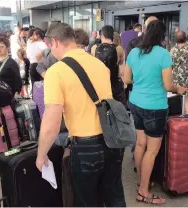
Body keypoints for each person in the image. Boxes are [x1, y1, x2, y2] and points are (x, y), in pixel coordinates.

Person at [36, 23, 126, 207]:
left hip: (85, 146)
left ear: (54, 42)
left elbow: (52, 121)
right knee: (114, 196)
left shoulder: (56, 72)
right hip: (112, 141)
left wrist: (41, 154)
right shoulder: (99, 65)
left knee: (86, 202)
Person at [124, 20, 186, 205]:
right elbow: (168, 85)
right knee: (151, 150)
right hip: (155, 107)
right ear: (162, 36)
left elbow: (127, 78)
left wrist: (143, 82)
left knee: (140, 144)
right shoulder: (164, 54)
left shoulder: (134, 52)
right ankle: (143, 192)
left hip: (135, 103)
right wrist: (179, 89)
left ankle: (141, 183)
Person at [171, 31, 188, 114]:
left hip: (175, 76)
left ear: (175, 39)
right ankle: (187, 115)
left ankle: (174, 115)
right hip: (187, 77)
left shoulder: (173, 49)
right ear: (185, 38)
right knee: (187, 98)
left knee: (174, 96)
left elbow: (168, 63)